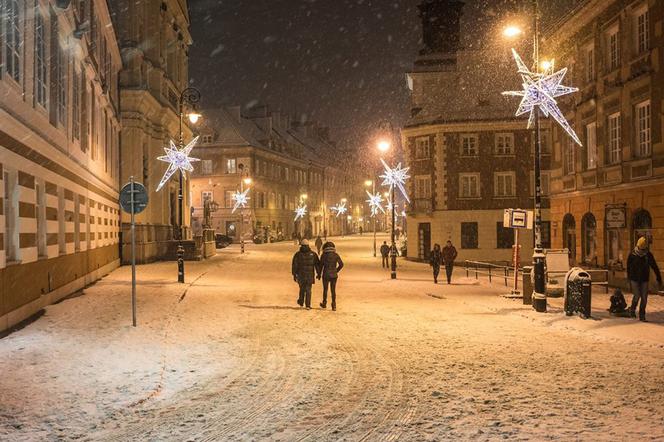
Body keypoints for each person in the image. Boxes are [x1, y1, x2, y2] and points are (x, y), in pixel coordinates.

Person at [626, 236, 661, 321]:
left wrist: (658, 277)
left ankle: (642, 315)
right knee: (637, 295)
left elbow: (654, 266)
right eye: (641, 249)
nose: (642, 251)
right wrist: (629, 278)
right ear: (638, 246)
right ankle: (632, 310)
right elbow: (628, 267)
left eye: (643, 249)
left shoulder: (648, 255)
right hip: (634, 279)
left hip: (644, 279)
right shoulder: (632, 255)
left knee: (644, 298)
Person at [292, 239, 320, 310]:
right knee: (308, 290)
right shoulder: (313, 254)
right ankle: (308, 304)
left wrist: (294, 274)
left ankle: (301, 301)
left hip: (301, 275)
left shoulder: (297, 254)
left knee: (302, 288)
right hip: (310, 275)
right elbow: (317, 265)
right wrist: (318, 273)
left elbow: (294, 265)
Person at [318, 241, 344, 311]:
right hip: (334, 275)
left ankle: (324, 303)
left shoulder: (324, 255)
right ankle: (334, 305)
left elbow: (320, 266)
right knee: (333, 290)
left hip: (326, 274)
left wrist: (319, 274)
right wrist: (336, 270)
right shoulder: (336, 255)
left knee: (325, 289)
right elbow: (341, 264)